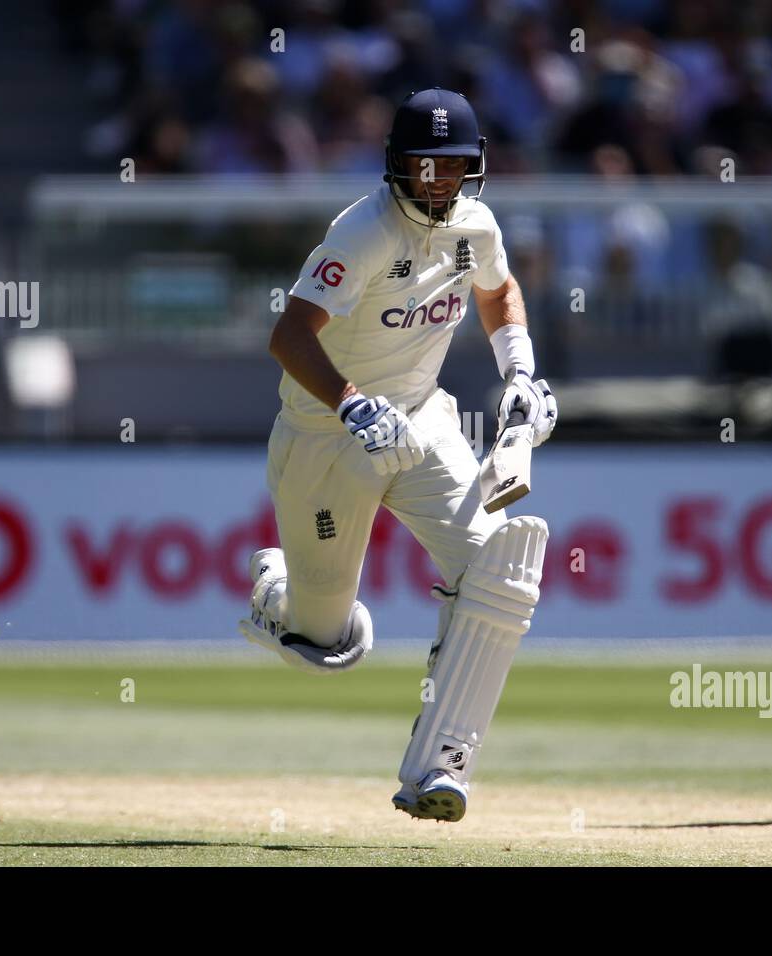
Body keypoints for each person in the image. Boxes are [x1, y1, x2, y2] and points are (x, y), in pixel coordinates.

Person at [240, 88, 558, 822]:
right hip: (326, 436)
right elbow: (289, 336)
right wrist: (351, 403)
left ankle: (440, 768)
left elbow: (500, 291)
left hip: (420, 424)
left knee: (499, 567)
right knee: (327, 640)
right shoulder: (363, 232)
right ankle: (276, 592)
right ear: (397, 167)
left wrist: (520, 374)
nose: (438, 181)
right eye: (425, 166)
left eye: (453, 167)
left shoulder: (475, 225)